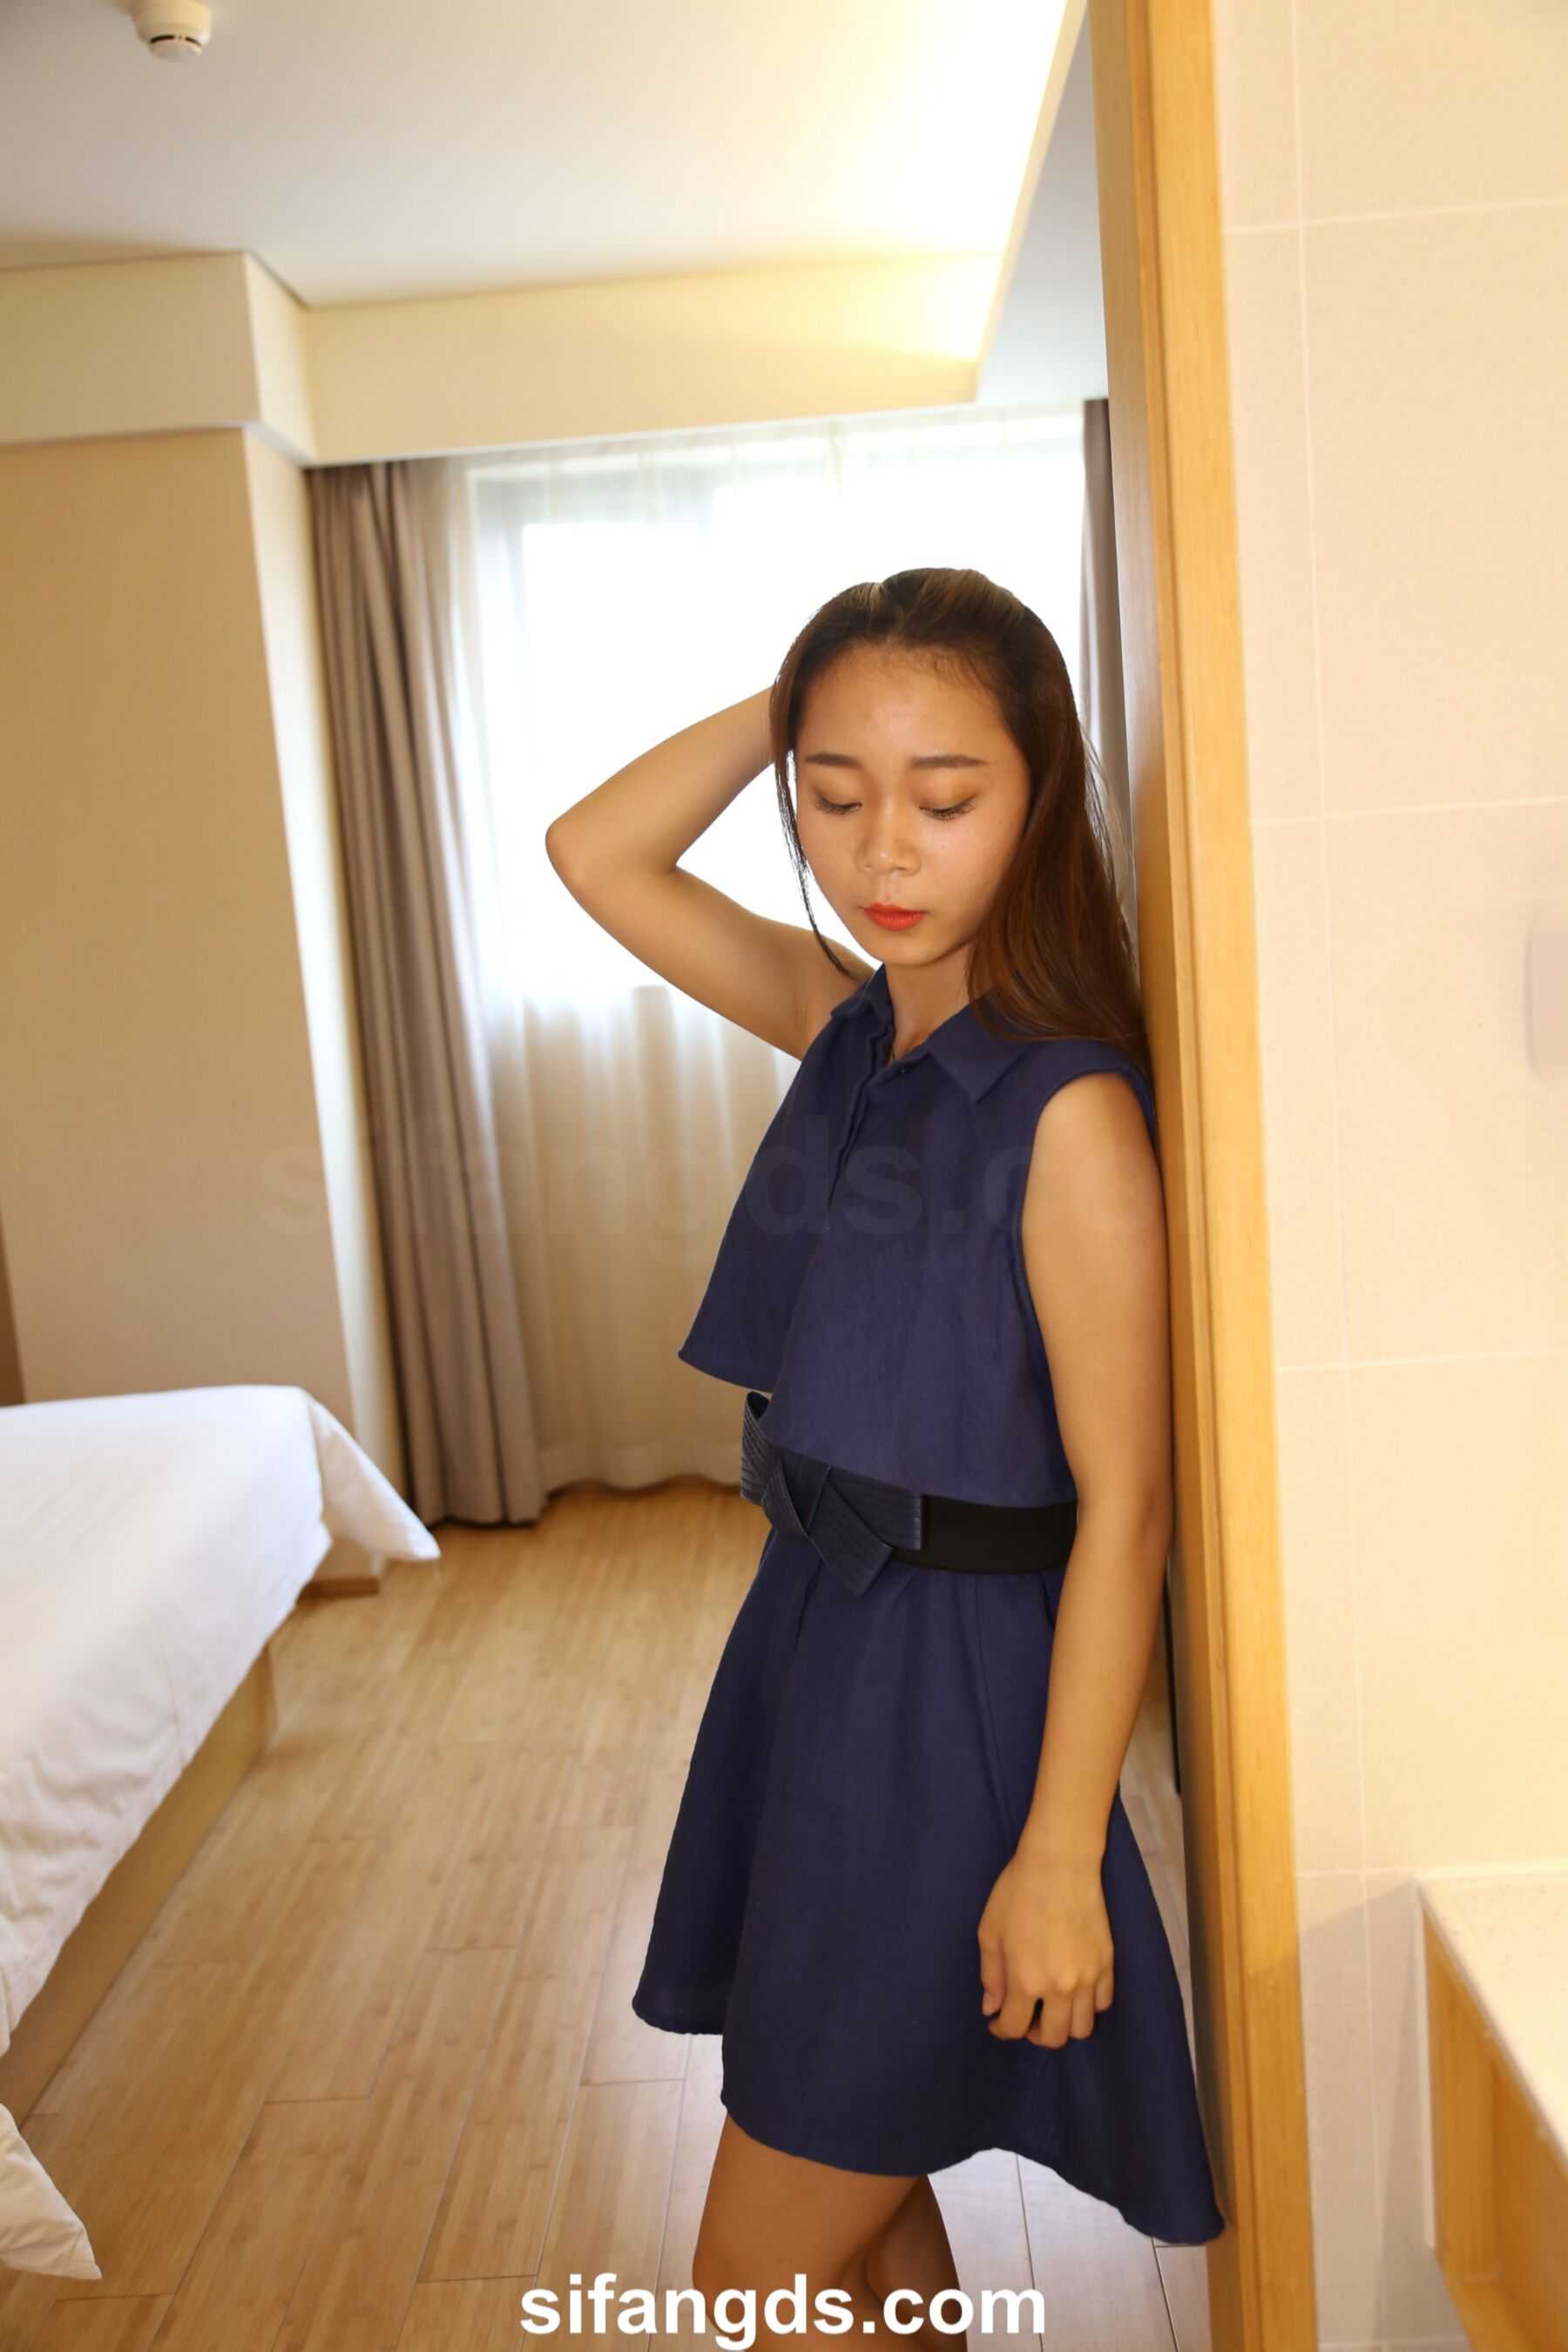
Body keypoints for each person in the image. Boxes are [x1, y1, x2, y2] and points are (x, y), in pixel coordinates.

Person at [545, 566, 1225, 2340]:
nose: (883, 851)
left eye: (945, 796)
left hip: (953, 1698)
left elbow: (1130, 1510)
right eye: (834, 796)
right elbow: (596, 852)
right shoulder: (854, 1021)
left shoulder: (1067, 1110)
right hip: (816, 1639)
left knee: (754, 2275)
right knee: (860, 2192)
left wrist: (1060, 1851)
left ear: (1039, 801)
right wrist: (794, 698)